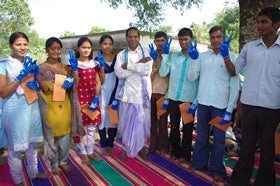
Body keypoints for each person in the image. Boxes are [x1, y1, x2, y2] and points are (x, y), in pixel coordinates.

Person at [223, 7, 280, 186]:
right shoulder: (250, 48)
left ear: (277, 25)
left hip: (272, 107)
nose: (259, 26)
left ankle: (265, 182)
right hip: (248, 106)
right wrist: (226, 56)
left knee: (268, 149)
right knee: (246, 147)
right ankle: (239, 180)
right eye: (258, 22)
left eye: (264, 22)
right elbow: (234, 72)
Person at [187, 26, 239, 183]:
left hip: (221, 105)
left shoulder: (233, 57)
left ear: (223, 38)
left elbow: (235, 86)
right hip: (203, 103)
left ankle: (217, 169)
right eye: (213, 37)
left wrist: (230, 109)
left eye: (219, 37)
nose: (216, 40)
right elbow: (192, 78)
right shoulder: (203, 57)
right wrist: (194, 60)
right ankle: (198, 163)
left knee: (219, 139)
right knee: (201, 135)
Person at [0, 32, 49, 185]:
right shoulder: (3, 64)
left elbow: (41, 87)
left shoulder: (29, 62)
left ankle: (33, 172)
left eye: (25, 44)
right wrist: (20, 77)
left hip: (31, 107)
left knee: (33, 144)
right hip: (14, 110)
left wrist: (36, 81)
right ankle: (18, 179)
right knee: (15, 148)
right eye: (18, 44)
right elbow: (3, 92)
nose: (22, 47)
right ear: (10, 46)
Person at [37, 37, 81, 175]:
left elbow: (76, 85)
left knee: (65, 138)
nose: (55, 51)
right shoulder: (41, 68)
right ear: (47, 50)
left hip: (65, 105)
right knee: (51, 137)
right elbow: (43, 88)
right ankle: (54, 163)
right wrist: (54, 85)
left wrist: (74, 70)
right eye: (52, 48)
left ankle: (63, 161)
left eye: (58, 48)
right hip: (50, 106)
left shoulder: (64, 68)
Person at [159, 27, 199, 163]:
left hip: (189, 100)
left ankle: (185, 155)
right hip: (174, 98)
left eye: (186, 39)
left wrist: (196, 101)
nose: (183, 42)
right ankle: (175, 152)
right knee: (174, 127)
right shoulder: (173, 56)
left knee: (188, 129)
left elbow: (199, 80)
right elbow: (163, 73)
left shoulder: (198, 57)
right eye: (181, 39)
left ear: (191, 40)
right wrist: (165, 55)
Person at [114, 27, 153, 161]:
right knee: (125, 124)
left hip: (142, 95)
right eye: (130, 37)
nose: (133, 39)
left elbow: (147, 70)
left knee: (141, 123)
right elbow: (119, 73)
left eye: (135, 36)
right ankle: (129, 148)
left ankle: (140, 148)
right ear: (126, 38)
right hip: (126, 95)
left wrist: (129, 66)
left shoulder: (146, 53)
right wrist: (138, 67)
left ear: (139, 37)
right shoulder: (120, 55)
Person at [72, 37, 102, 164]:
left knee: (91, 128)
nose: (86, 50)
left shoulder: (95, 64)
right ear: (78, 48)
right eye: (83, 47)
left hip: (92, 99)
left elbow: (98, 81)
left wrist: (96, 97)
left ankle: (90, 151)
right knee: (80, 128)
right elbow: (75, 83)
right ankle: (83, 152)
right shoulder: (73, 64)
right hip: (79, 99)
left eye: (88, 47)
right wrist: (74, 70)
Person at [96, 34, 119, 156]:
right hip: (101, 93)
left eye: (110, 44)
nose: (107, 46)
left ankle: (110, 144)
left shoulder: (117, 59)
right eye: (105, 44)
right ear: (100, 45)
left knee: (113, 119)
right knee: (101, 119)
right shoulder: (96, 60)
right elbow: (96, 79)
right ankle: (103, 144)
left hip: (114, 93)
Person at [148, 31, 170, 154]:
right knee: (152, 122)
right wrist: (154, 62)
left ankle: (164, 147)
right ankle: (153, 145)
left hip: (163, 93)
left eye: (162, 40)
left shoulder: (170, 56)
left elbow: (172, 78)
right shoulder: (150, 56)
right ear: (154, 42)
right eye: (158, 41)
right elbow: (147, 77)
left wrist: (167, 96)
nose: (160, 43)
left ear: (166, 41)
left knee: (163, 123)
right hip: (152, 93)